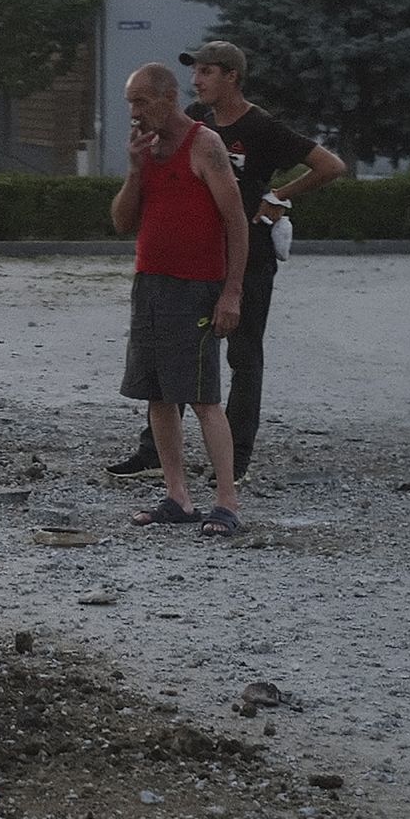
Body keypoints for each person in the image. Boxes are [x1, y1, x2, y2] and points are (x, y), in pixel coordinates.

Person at [107, 41, 346, 482]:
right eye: (194, 72)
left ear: (231, 76)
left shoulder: (262, 127)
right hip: (197, 258)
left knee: (243, 356)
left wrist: (278, 197)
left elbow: (330, 166)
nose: (196, 80)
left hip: (247, 256)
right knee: (174, 356)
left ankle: (234, 461)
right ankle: (153, 452)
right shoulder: (193, 123)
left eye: (206, 72)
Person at [112, 62, 248, 537]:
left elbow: (236, 221)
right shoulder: (146, 150)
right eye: (130, 102)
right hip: (150, 282)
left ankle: (226, 501)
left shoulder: (204, 144)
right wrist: (133, 168)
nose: (133, 111)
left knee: (202, 396)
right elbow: (122, 221)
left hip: (195, 288)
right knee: (157, 395)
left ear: (167, 99)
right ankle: (178, 496)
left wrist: (231, 292)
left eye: (140, 101)